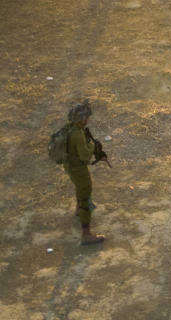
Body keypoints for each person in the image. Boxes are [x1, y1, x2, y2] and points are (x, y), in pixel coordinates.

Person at [63, 100, 106, 245]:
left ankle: (77, 209)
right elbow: (85, 156)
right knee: (85, 196)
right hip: (79, 169)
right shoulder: (78, 135)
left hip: (69, 166)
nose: (88, 119)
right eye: (86, 117)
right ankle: (86, 234)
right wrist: (93, 147)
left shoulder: (68, 128)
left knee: (78, 187)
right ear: (81, 119)